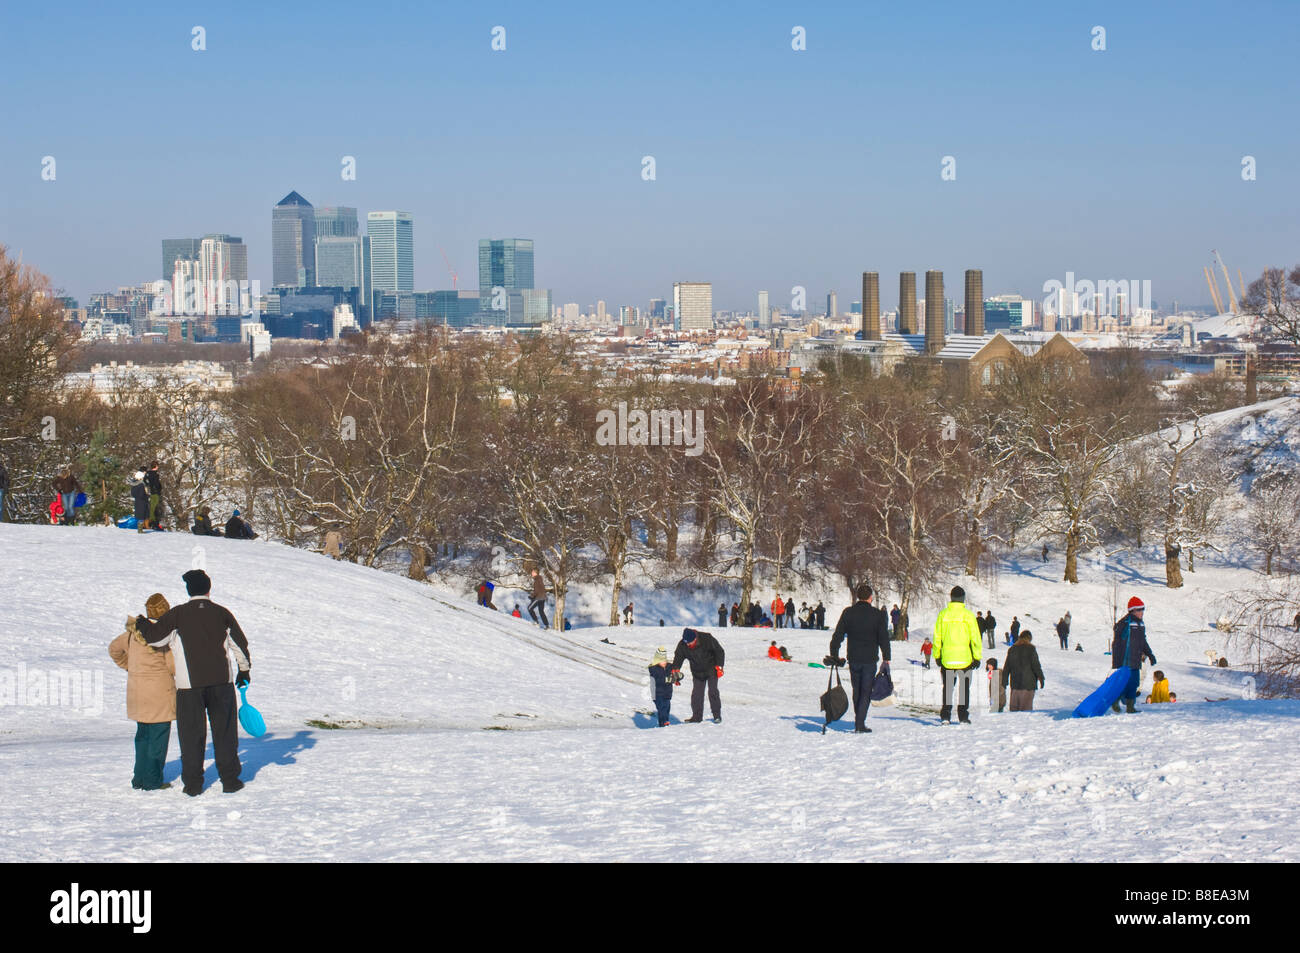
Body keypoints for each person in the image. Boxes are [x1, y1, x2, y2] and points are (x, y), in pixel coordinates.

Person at [136, 569, 250, 796]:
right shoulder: (222, 613)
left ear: (189, 591)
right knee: (225, 733)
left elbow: (156, 639)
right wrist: (244, 671)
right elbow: (239, 644)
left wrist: (142, 624)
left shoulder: (179, 614)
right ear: (209, 589)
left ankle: (194, 784)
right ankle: (230, 780)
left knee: (191, 735)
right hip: (221, 683)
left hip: (189, 687)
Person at [108, 593, 177, 790]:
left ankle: (138, 778)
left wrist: (130, 666)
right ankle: (152, 780)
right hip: (159, 695)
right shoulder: (163, 634)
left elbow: (113, 649)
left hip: (137, 693)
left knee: (142, 736)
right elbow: (173, 666)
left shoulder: (132, 633)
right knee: (158, 738)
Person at [828, 583, 892, 734]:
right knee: (866, 691)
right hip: (870, 659)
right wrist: (886, 657)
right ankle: (860, 723)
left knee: (857, 690)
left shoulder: (848, 613)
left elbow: (837, 635)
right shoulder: (877, 615)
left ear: (858, 596)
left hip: (854, 658)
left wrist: (834, 653)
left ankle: (859, 719)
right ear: (871, 597)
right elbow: (884, 638)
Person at [933, 585, 982, 724]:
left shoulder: (943, 614)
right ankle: (963, 716)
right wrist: (977, 657)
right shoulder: (968, 615)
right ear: (963, 599)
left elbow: (937, 637)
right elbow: (975, 638)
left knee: (948, 688)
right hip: (965, 658)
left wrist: (937, 655)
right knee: (964, 689)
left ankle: (946, 715)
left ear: (951, 597)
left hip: (947, 658)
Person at [1111, 596, 1157, 714]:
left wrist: (1150, 655)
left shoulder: (1140, 624)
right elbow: (1117, 643)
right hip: (1125, 660)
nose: (1142, 612)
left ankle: (1130, 707)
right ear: (1133, 610)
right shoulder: (1125, 623)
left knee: (1134, 683)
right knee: (1123, 683)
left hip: (1136, 660)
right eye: (1139, 609)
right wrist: (1117, 661)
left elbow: (1143, 642)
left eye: (1143, 609)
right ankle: (1115, 701)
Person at [672, 628, 725, 723]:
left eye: (690, 642)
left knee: (713, 691)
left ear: (695, 638)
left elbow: (719, 651)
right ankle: (696, 717)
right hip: (697, 671)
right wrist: (675, 671)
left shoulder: (706, 639)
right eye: (686, 643)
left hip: (711, 669)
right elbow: (678, 657)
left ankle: (717, 715)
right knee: (697, 694)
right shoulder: (683, 644)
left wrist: (719, 666)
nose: (688, 645)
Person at [1002, 631, 1045, 711]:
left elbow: (1007, 667)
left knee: (1014, 710)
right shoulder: (1031, 649)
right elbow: (1036, 665)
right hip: (1028, 685)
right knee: (1025, 711)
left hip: (1015, 684)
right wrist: (1041, 678)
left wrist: (1004, 681)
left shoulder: (1012, 649)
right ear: (1029, 638)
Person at [649, 647, 677, 726]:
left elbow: (675, 672)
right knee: (661, 708)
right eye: (661, 661)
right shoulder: (653, 669)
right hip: (657, 693)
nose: (664, 662)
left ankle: (665, 721)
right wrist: (669, 679)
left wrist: (678, 676)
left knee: (667, 707)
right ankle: (663, 722)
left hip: (667, 693)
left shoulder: (669, 666)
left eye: (665, 660)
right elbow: (659, 679)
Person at [144, 461, 163, 530]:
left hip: (151, 492)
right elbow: (156, 483)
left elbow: (145, 480)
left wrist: (148, 485)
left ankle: (151, 522)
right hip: (155, 493)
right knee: (155, 508)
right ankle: (154, 523)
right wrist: (158, 488)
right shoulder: (155, 474)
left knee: (152, 507)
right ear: (156, 466)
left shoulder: (148, 473)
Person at [0, 457, 9, 521]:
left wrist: (5, 489)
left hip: (0, 489)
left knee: (0, 506)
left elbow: (6, 480)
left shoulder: (2, 469)